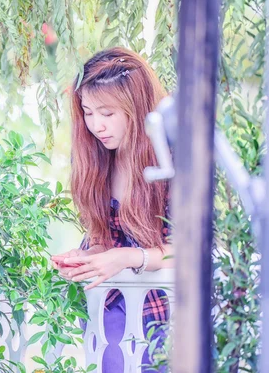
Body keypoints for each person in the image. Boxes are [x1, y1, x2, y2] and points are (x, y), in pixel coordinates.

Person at [50, 47, 173, 372]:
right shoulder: (96, 159)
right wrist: (91, 256)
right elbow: (103, 236)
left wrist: (129, 258)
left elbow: (193, 250)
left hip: (163, 308)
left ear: (136, 107)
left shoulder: (170, 159)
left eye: (107, 113)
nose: (96, 126)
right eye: (88, 113)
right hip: (111, 304)